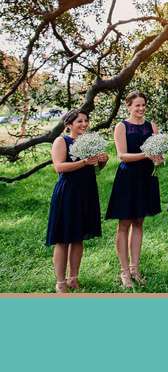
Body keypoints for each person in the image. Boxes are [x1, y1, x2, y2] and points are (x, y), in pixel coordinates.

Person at [46, 109, 109, 293]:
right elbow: (58, 167)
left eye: (86, 121)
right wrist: (84, 162)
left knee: (78, 237)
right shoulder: (61, 141)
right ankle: (60, 282)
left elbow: (96, 168)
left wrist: (102, 161)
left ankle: (73, 278)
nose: (84, 124)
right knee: (63, 238)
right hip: (68, 193)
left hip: (87, 192)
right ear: (69, 125)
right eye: (79, 121)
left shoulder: (89, 141)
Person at [105, 91, 162, 288]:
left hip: (147, 177)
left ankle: (135, 268)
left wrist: (158, 159)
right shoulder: (121, 126)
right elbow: (122, 156)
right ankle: (124, 272)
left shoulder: (151, 126)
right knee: (124, 224)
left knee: (139, 222)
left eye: (143, 105)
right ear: (128, 106)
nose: (140, 109)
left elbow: (158, 154)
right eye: (136, 105)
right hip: (128, 178)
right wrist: (146, 154)